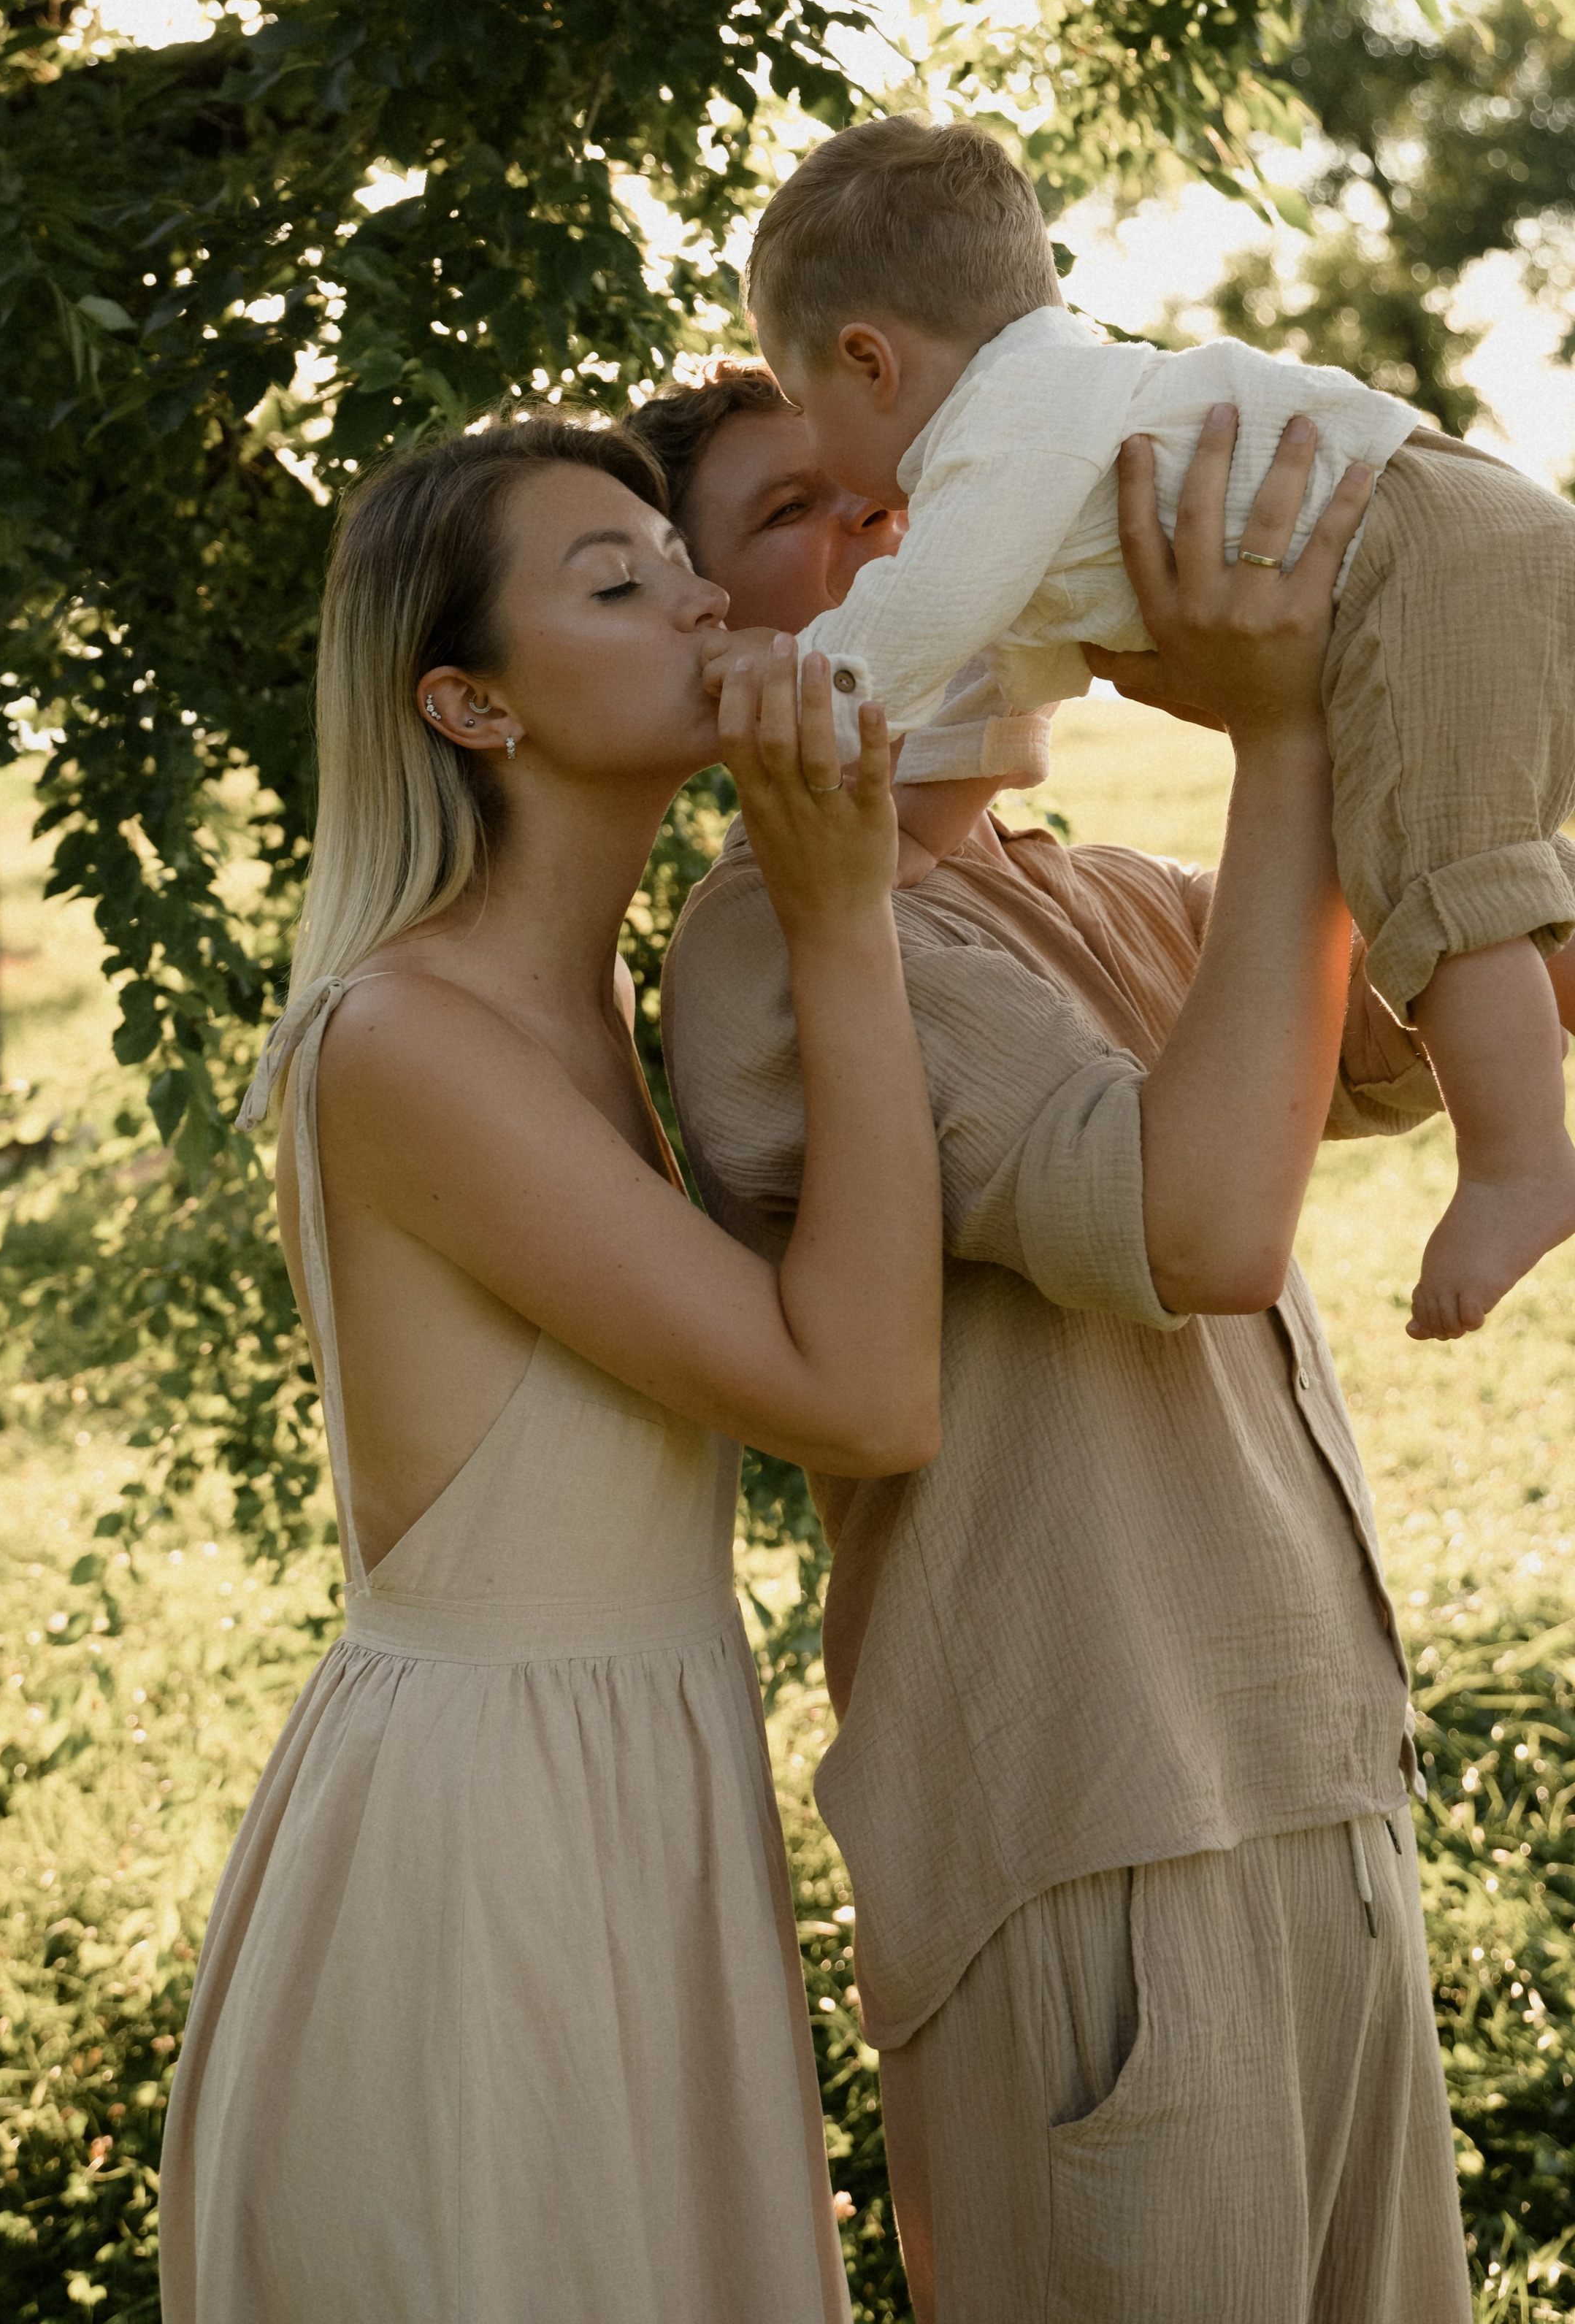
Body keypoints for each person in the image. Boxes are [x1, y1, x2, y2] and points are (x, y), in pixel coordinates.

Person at [662, 386, 1473, 2323]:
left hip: (1312, 1780)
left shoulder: (1094, 887)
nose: (884, 525)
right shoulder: (778, 944)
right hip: (1085, 1842)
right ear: (713, 641)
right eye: (798, 511)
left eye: (904, 486)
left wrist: (1417, 656)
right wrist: (1278, 735)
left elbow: (1393, 1034)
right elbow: (1195, 1224)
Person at [158, 413, 945, 2324]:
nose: (693, 592)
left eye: (672, 554)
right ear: (473, 707)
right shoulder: (412, 1043)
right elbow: (859, 1397)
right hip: (485, 1860)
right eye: (614, 582)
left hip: (634, 1796)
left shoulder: (596, 989)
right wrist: (838, 915)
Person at [737, 112, 1575, 1341]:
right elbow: (995, 686)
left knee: (1444, 868)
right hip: (1455, 544)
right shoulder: (1044, 450)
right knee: (1459, 867)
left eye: (802, 412)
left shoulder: (1011, 425)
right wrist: (909, 831)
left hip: (1432, 547)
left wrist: (769, 688)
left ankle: (1521, 1164)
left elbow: (908, 630)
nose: (842, 483)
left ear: (871, 362)